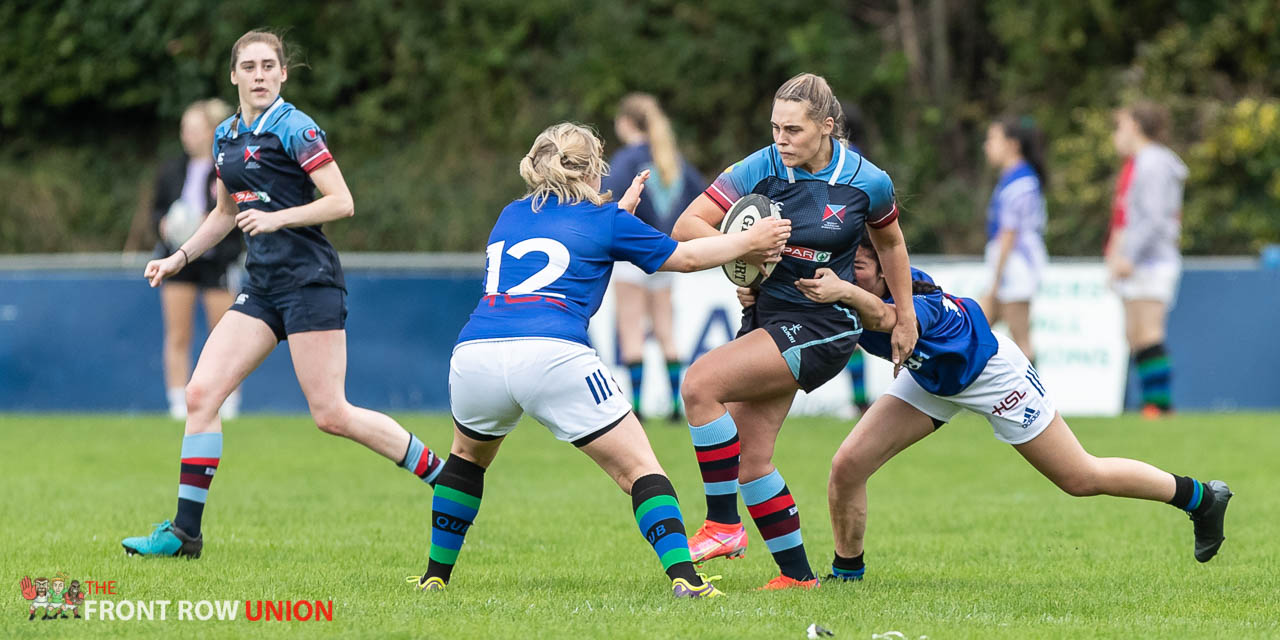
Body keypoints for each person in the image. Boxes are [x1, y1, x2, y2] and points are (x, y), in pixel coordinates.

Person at [410, 122, 790, 597]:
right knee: (641, 472)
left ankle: (434, 578)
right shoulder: (606, 221)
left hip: (475, 354)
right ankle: (686, 580)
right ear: (593, 169)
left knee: (465, 461)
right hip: (552, 354)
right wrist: (747, 243)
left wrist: (616, 216)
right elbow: (687, 257)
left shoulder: (509, 214)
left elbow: (573, 250)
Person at [122, 30, 444, 558]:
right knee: (202, 396)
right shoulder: (225, 135)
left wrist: (278, 218)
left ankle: (444, 474)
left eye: (269, 65)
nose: (259, 74)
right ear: (234, 76)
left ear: (283, 74)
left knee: (331, 414)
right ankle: (185, 533)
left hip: (310, 283)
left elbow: (342, 201)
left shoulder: (296, 128)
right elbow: (225, 214)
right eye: (249, 66)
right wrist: (177, 257)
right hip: (263, 286)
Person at [789, 235, 1231, 582]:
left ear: (888, 270)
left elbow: (885, 321)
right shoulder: (850, 288)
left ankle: (1201, 498)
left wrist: (843, 290)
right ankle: (848, 574)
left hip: (993, 375)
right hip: (930, 379)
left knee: (1080, 477)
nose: (848, 276)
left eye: (859, 269)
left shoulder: (912, 303)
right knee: (847, 465)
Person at [672, 73, 917, 590]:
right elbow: (687, 226)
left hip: (824, 324)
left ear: (827, 127)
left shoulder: (866, 180)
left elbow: (892, 246)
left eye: (794, 130)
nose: (781, 140)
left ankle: (722, 524)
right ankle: (799, 578)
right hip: (766, 317)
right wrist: (745, 246)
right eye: (775, 128)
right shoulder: (760, 166)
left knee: (698, 384)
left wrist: (905, 317)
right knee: (750, 461)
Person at [602, 93, 705, 423]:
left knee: (632, 330)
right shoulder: (673, 159)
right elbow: (702, 199)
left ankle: (638, 407)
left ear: (625, 123)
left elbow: (606, 196)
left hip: (632, 255)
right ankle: (676, 407)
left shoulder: (627, 159)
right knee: (666, 330)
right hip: (665, 254)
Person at [149, 98, 245, 421]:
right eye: (183, 129)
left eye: (194, 129)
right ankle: (178, 401)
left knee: (223, 333)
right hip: (178, 258)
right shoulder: (171, 169)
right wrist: (163, 224)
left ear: (210, 132)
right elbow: (158, 209)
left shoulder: (228, 166)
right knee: (178, 333)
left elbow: (234, 215)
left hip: (218, 261)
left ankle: (228, 400)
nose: (187, 136)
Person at [1106, 102, 1187, 418]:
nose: (1117, 133)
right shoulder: (1142, 162)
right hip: (1141, 260)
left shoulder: (1153, 163)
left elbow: (1153, 219)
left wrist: (1129, 256)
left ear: (1136, 126)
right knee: (1135, 334)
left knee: (1149, 332)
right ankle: (1153, 403)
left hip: (1153, 261)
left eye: (1121, 125)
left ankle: (1160, 405)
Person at [980, 116, 1049, 362]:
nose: (987, 145)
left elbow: (1009, 234)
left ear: (1012, 144)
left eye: (992, 139)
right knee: (977, 327)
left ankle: (1035, 398)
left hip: (1016, 267)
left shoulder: (1020, 182)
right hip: (1009, 266)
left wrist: (996, 281)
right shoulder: (1013, 178)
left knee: (1021, 340)